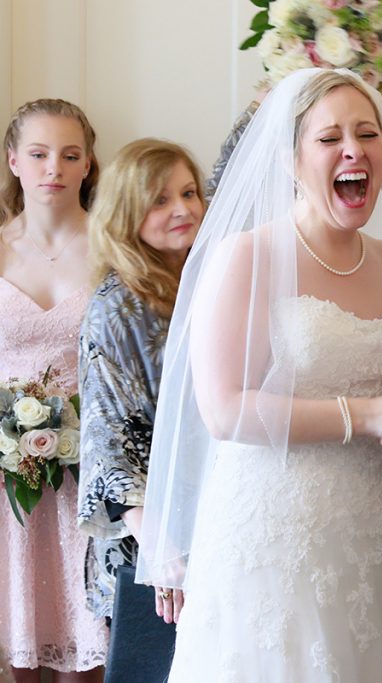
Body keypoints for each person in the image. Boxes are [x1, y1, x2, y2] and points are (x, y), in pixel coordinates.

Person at [137, 68, 382, 680]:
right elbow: (224, 408)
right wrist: (366, 414)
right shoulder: (248, 256)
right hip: (278, 533)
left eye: (368, 134)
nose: (353, 150)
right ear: (289, 159)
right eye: (330, 138)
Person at [76, 139, 206, 682]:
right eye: (159, 200)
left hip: (208, 516)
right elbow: (109, 442)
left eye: (190, 192)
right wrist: (163, 553)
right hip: (150, 539)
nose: (183, 208)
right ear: (128, 213)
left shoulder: (201, 280)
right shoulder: (116, 304)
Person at [0, 99, 107, 682]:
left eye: (70, 155)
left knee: (84, 656)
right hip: (5, 482)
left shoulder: (115, 248)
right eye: (39, 154)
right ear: (14, 160)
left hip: (87, 470)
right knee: (17, 652)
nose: (54, 169)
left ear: (89, 164)